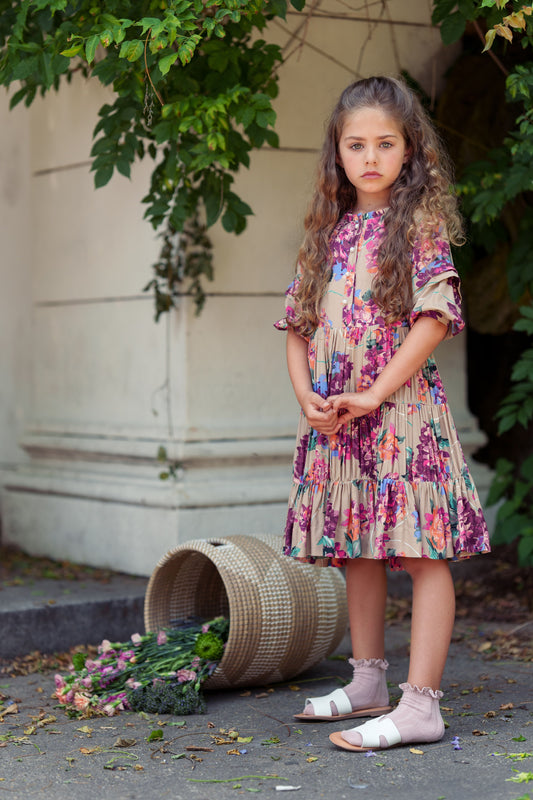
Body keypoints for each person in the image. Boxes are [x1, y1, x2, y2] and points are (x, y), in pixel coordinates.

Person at [274, 76, 491, 753]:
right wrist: (306, 393)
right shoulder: (327, 235)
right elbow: (296, 327)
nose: (369, 157)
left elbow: (433, 317)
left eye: (384, 144)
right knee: (357, 552)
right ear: (336, 153)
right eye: (355, 144)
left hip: (399, 417)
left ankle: (420, 705)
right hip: (340, 422)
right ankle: (367, 682)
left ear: (409, 151)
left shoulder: (417, 225)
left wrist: (373, 393)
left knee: (419, 553)